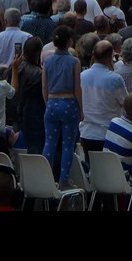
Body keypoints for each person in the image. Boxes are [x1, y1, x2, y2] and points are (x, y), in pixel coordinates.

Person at [41, 25, 82, 184]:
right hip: (69, 102)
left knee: (49, 142)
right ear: (69, 41)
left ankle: (45, 178)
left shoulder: (48, 61)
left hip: (52, 102)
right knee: (67, 144)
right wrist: (81, 108)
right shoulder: (74, 61)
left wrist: (48, 102)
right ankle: (64, 179)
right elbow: (77, 88)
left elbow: (44, 86)